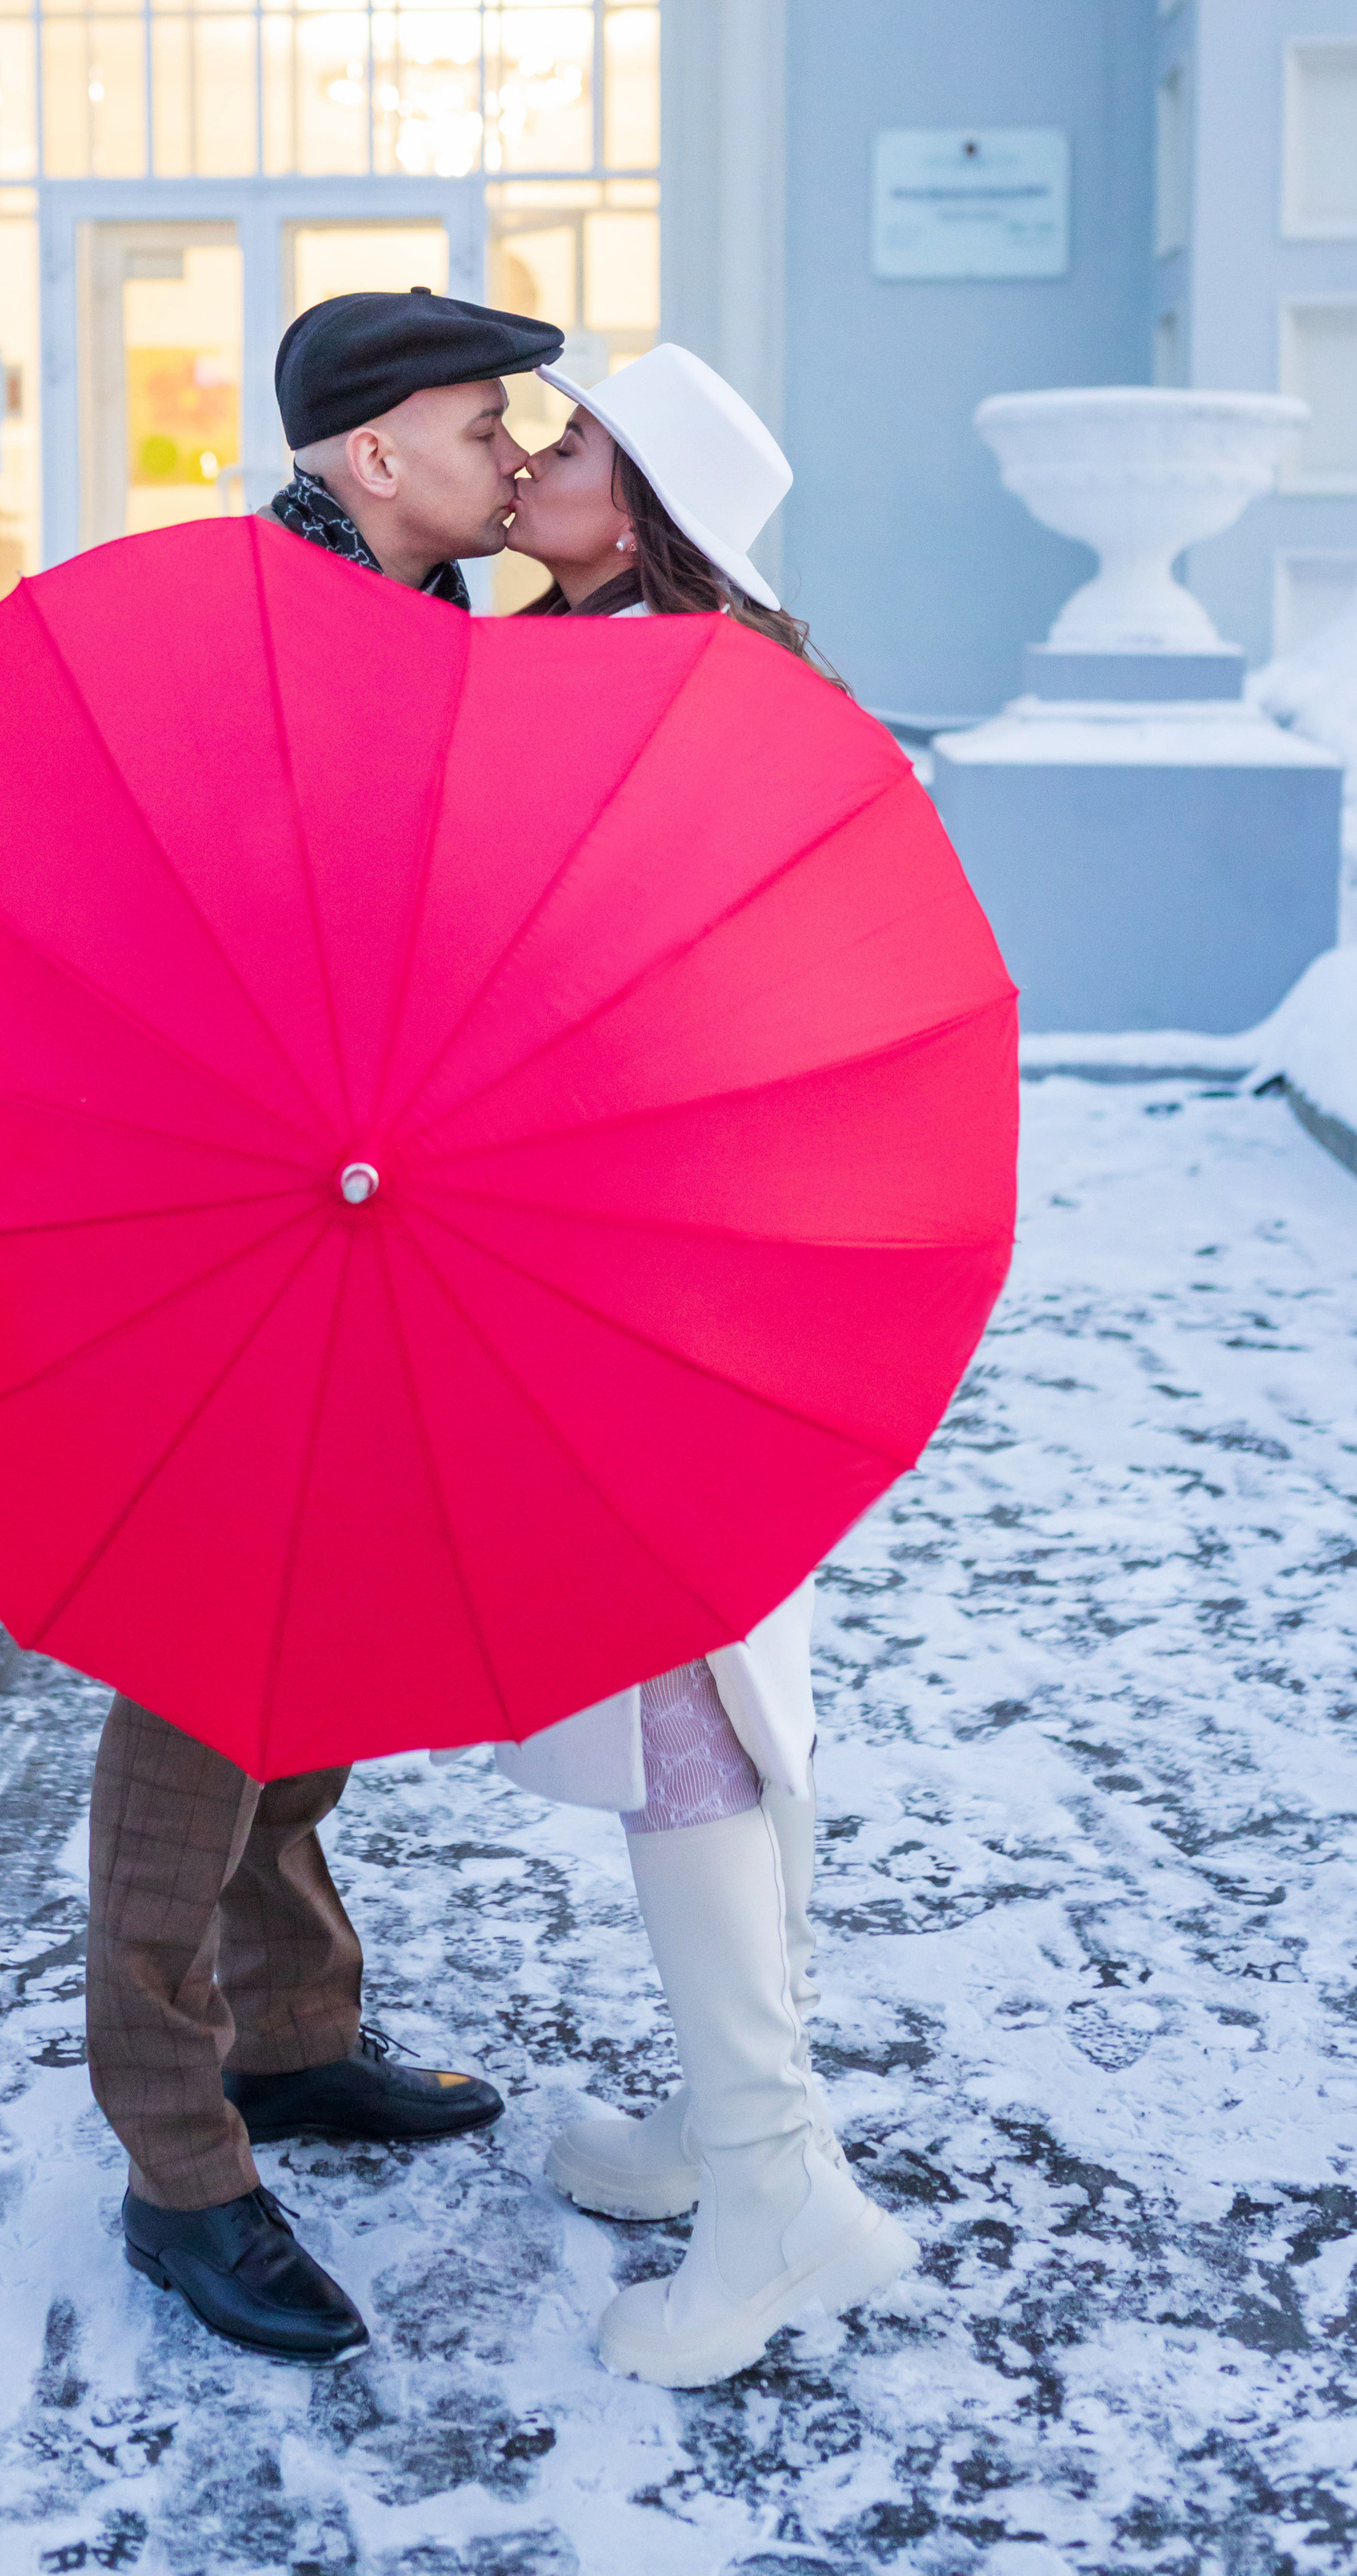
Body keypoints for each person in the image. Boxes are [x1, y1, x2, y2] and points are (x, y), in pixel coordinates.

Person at [90, 285, 563, 2367]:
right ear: (376, 456)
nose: (509, 451)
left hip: (362, 1210)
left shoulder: (410, 629)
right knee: (198, 1688)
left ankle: (292, 2037)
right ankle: (181, 2160)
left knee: (311, 1660)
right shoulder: (240, 643)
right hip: (210, 1232)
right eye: (482, 422)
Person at [496, 340, 919, 2389]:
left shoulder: (690, 695)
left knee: (698, 1712)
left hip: (676, 1280)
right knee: (710, 1703)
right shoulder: (600, 660)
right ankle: (734, 2127)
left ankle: (775, 2191)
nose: (532, 460)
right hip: (627, 1268)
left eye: (566, 445)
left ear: (644, 504)